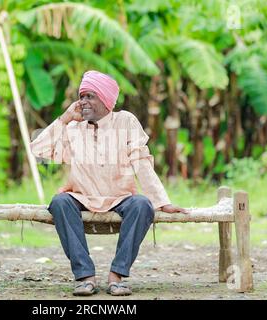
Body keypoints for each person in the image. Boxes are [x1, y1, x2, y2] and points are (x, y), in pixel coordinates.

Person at [30, 70, 187, 296]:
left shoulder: (125, 121)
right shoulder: (73, 128)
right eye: (81, 96)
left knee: (142, 205)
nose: (83, 102)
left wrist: (162, 202)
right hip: (81, 196)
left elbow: (142, 163)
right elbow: (39, 150)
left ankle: (118, 275)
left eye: (90, 96)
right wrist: (64, 119)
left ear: (105, 101)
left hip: (120, 197)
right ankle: (85, 276)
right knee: (59, 202)